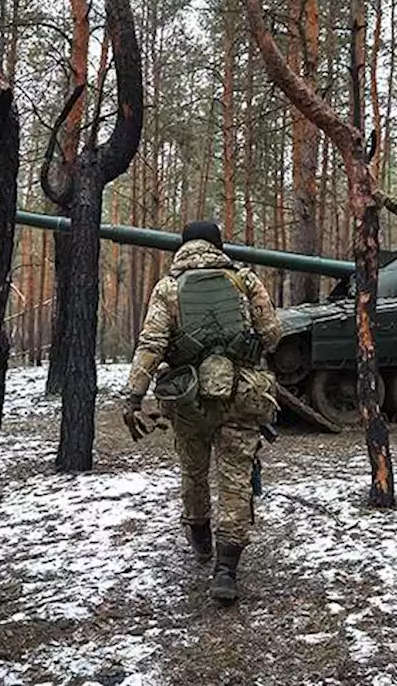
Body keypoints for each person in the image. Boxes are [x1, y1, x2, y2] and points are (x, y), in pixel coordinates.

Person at [119, 220, 283, 604]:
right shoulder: (245, 281)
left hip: (188, 399)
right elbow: (273, 335)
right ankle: (226, 570)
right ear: (218, 245)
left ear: (183, 248)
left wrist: (133, 397)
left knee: (193, 472)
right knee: (235, 478)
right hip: (241, 394)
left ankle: (200, 542)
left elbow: (151, 345)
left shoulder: (168, 288)